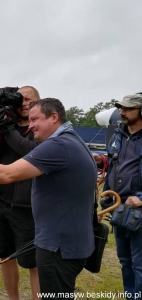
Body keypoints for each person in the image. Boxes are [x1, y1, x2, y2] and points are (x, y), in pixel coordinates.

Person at [0, 98, 96, 297]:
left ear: (54, 117)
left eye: (34, 119)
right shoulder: (73, 139)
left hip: (58, 247)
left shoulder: (58, 145)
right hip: (69, 242)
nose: (30, 126)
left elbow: (8, 174)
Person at [0, 86, 40, 299]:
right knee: (5, 255)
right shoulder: (4, 126)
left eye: (28, 99)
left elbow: (29, 152)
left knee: (34, 262)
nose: (22, 103)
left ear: (38, 103)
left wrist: (5, 127)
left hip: (28, 206)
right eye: (19, 99)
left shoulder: (42, 129)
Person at [93, 94, 142, 298]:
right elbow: (114, 161)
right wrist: (100, 160)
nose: (121, 112)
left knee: (140, 264)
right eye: (121, 108)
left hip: (138, 208)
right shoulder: (118, 135)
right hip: (118, 207)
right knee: (125, 261)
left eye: (128, 108)